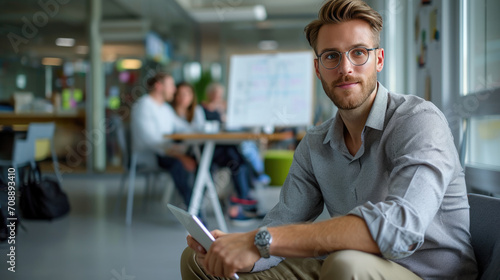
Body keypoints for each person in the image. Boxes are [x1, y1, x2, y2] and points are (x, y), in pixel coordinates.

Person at [180, 0, 478, 279]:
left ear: (379, 60)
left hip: (425, 273)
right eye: (331, 56)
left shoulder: (419, 121)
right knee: (199, 261)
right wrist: (242, 247)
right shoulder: (314, 145)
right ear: (318, 68)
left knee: (345, 263)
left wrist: (262, 240)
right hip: (349, 265)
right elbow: (281, 222)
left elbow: (400, 229)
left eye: (359, 52)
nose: (345, 68)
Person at [171, 81, 260, 223]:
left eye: (187, 94)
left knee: (236, 156)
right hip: (193, 151)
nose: (184, 97)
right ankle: (243, 199)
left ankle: (242, 199)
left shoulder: (197, 111)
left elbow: (201, 130)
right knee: (235, 156)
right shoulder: (172, 113)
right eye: (181, 94)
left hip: (204, 148)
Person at [130, 73, 196, 208]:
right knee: (178, 164)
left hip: (164, 151)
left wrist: (205, 128)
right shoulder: (144, 105)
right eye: (171, 85)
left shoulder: (165, 108)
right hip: (150, 155)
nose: (174, 90)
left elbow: (183, 127)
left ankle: (196, 201)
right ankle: (194, 210)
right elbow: (153, 142)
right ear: (159, 86)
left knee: (198, 160)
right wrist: (181, 156)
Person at [202, 83, 271, 186]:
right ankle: (255, 177)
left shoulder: (224, 106)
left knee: (245, 150)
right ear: (209, 94)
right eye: (216, 94)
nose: (218, 97)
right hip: (215, 146)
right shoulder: (204, 108)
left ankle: (253, 180)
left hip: (228, 141)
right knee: (240, 154)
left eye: (220, 94)